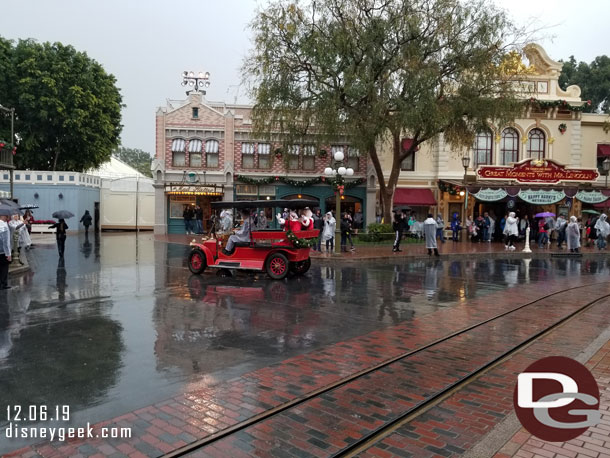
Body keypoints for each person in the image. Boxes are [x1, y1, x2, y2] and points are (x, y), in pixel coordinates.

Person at [0, 214, 11, 289]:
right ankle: (3, 284)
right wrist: (8, 254)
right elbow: (5, 241)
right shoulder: (3, 226)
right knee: (4, 268)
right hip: (2, 251)